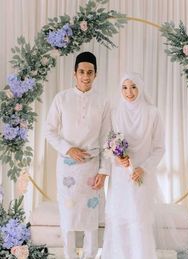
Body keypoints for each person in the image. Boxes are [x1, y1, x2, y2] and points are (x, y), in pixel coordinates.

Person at [101, 72, 188, 259]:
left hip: (143, 177)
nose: (129, 92)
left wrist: (143, 168)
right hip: (120, 179)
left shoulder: (152, 113)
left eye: (133, 87)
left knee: (140, 221)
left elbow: (159, 148)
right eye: (124, 87)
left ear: (140, 88)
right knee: (118, 221)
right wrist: (117, 159)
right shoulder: (115, 113)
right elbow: (107, 144)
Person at [45, 51, 110, 259]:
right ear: (74, 73)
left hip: (92, 168)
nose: (85, 76)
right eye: (81, 71)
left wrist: (104, 170)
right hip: (67, 168)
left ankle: (91, 256)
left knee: (90, 219)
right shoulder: (61, 98)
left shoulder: (103, 101)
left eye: (90, 72)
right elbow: (49, 131)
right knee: (69, 217)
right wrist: (68, 149)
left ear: (95, 75)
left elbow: (106, 138)